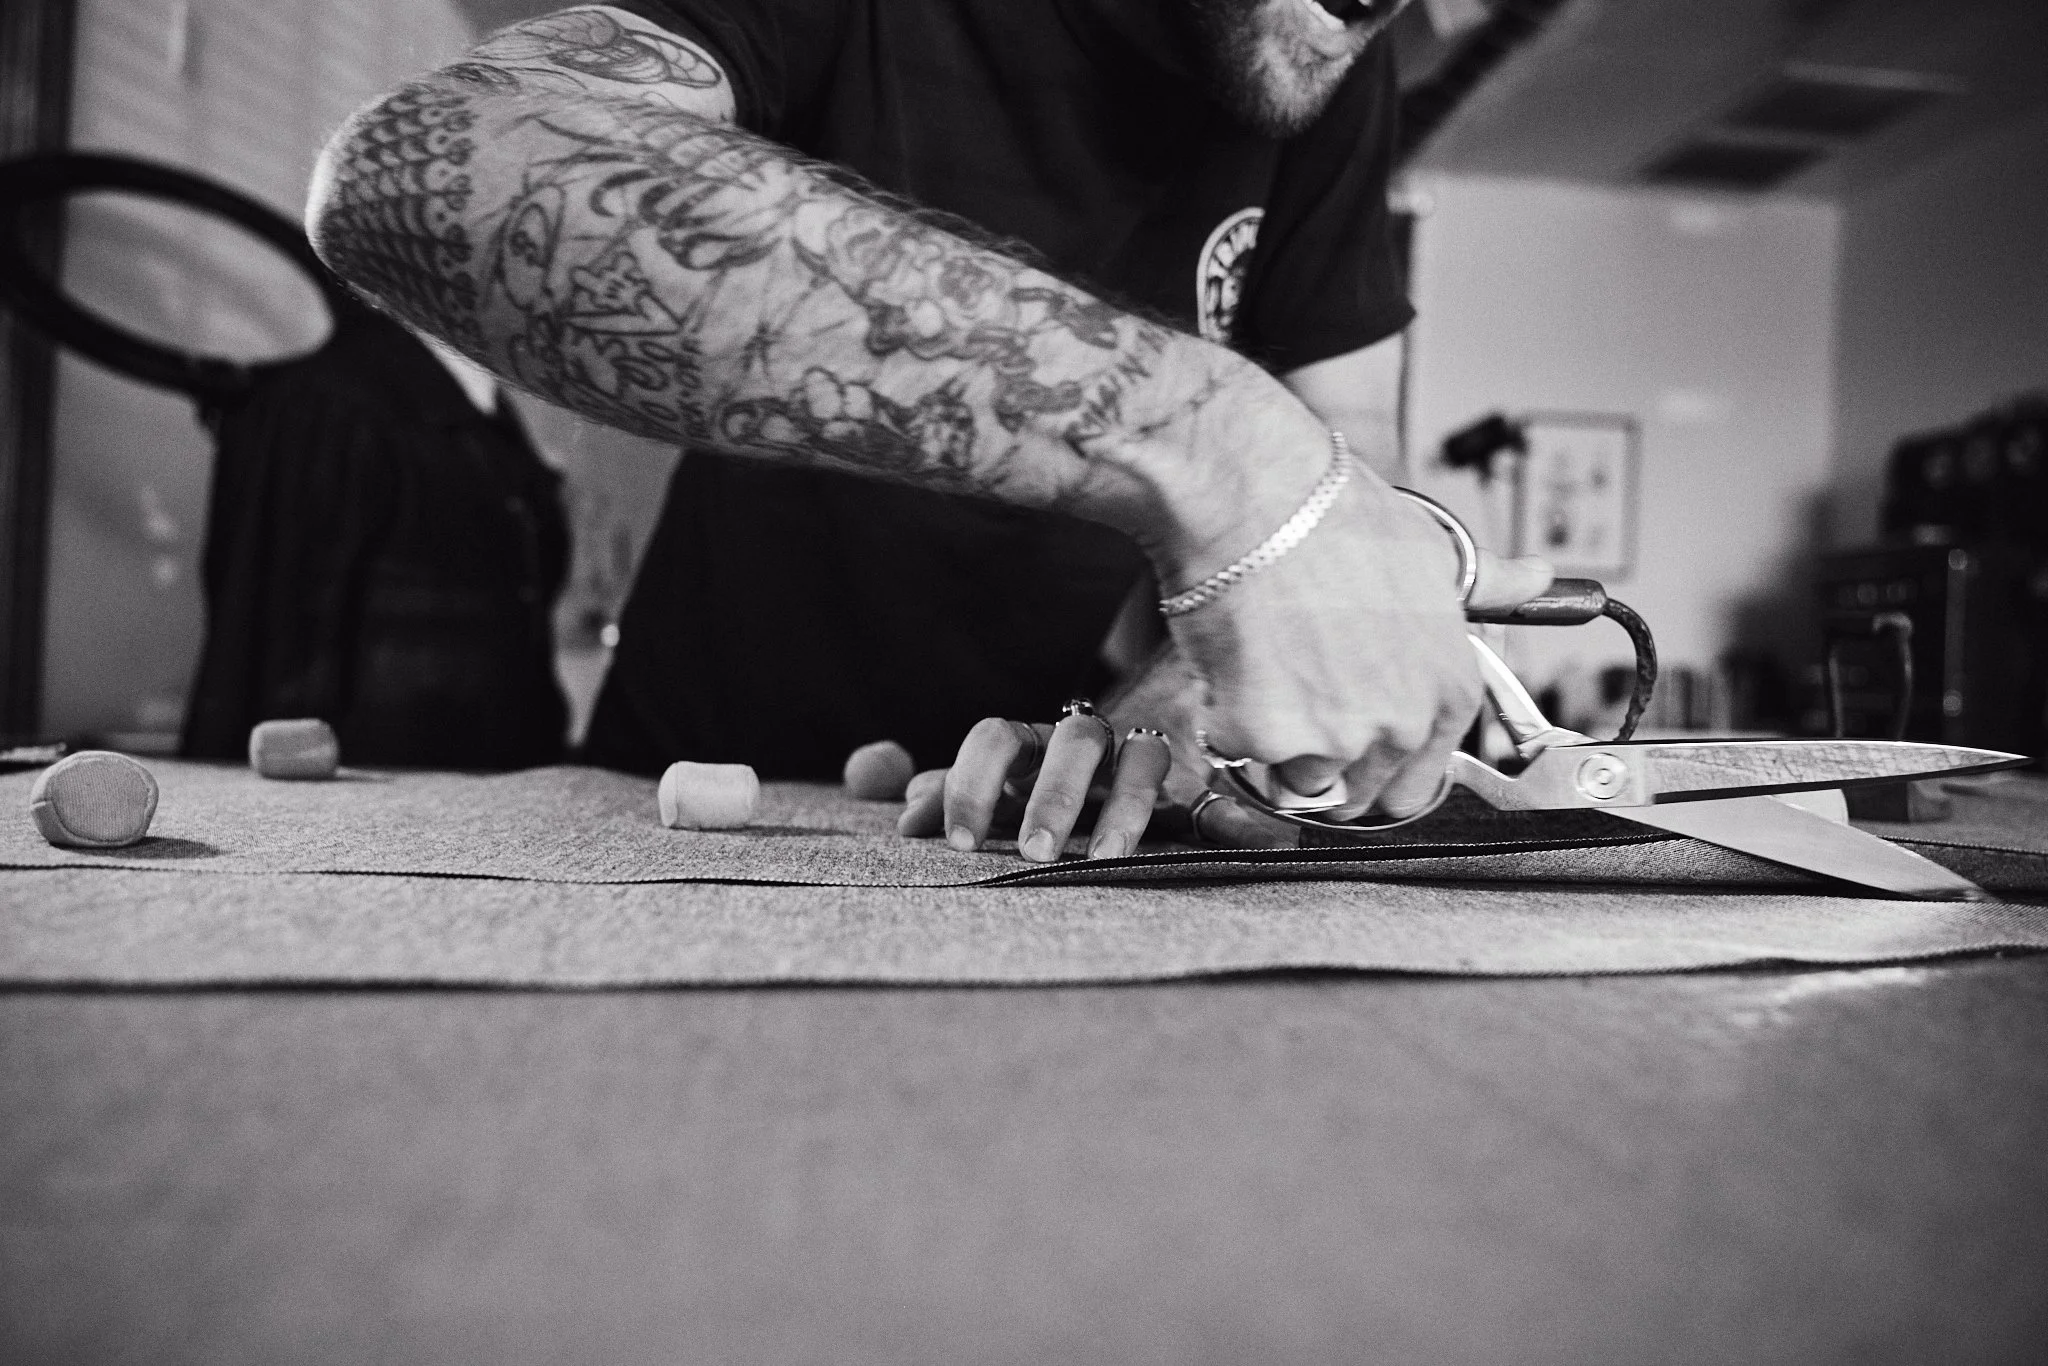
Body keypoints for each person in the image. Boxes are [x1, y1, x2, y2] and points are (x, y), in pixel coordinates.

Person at [304, 0, 1551, 860]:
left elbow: (1345, 452)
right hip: (685, 777)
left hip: (1030, 827)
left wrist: (1196, 687)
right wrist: (1215, 443)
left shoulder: (1333, 66)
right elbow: (420, 171)